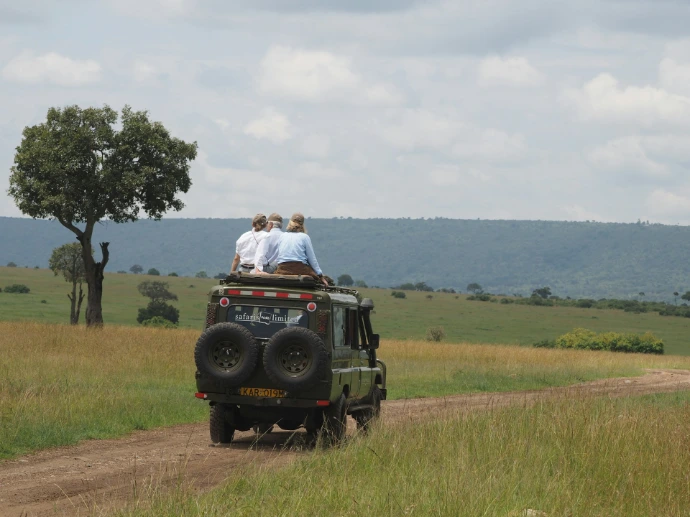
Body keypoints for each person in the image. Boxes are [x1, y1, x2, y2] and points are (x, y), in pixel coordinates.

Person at [274, 213, 329, 286]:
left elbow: (278, 257)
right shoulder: (305, 237)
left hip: (283, 268)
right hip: (300, 269)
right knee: (317, 279)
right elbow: (312, 259)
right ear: (302, 225)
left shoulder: (282, 236)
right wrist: (320, 275)